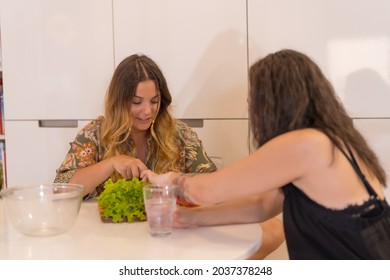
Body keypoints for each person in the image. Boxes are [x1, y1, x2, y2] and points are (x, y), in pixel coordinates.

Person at [141, 49, 390, 259]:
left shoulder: (305, 145)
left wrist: (169, 179)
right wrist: (192, 218)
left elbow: (206, 190)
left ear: (273, 104)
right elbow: (263, 205)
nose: (252, 113)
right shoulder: (329, 141)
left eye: (253, 103)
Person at [54, 53, 217, 200]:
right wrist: (112, 163)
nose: (147, 111)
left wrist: (176, 182)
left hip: (167, 228)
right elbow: (61, 190)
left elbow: (214, 185)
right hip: (109, 231)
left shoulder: (180, 134)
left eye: (154, 101)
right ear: (118, 102)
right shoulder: (95, 134)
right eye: (136, 102)